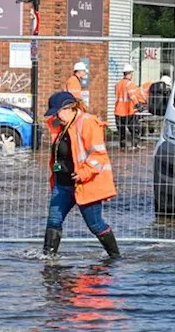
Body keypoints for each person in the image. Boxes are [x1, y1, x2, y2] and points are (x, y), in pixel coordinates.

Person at [42, 91, 121, 259]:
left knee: (95, 225)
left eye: (58, 112)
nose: (56, 116)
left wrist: (83, 173)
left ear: (69, 108)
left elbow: (99, 155)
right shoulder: (61, 125)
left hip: (85, 184)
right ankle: (48, 258)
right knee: (53, 221)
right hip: (62, 185)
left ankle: (115, 257)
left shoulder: (87, 123)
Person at [114, 63, 143, 149]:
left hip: (118, 111)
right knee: (134, 129)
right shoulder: (130, 84)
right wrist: (138, 105)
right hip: (128, 110)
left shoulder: (117, 84)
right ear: (130, 73)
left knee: (121, 131)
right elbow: (132, 96)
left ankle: (123, 146)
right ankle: (134, 145)